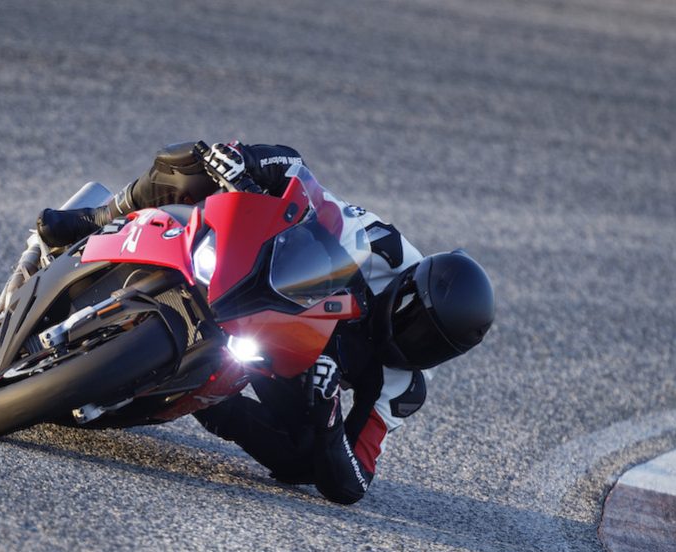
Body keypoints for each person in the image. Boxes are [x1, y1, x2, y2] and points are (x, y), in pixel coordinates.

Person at [37, 141, 495, 504]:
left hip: (289, 361)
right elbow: (305, 185)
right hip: (271, 281)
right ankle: (92, 219)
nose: (414, 345)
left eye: (432, 347)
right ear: (407, 287)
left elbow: (354, 482)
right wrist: (245, 165)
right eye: (414, 324)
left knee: (302, 463)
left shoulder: (404, 388)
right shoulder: (383, 248)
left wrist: (329, 413)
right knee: (195, 164)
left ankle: (196, 399)